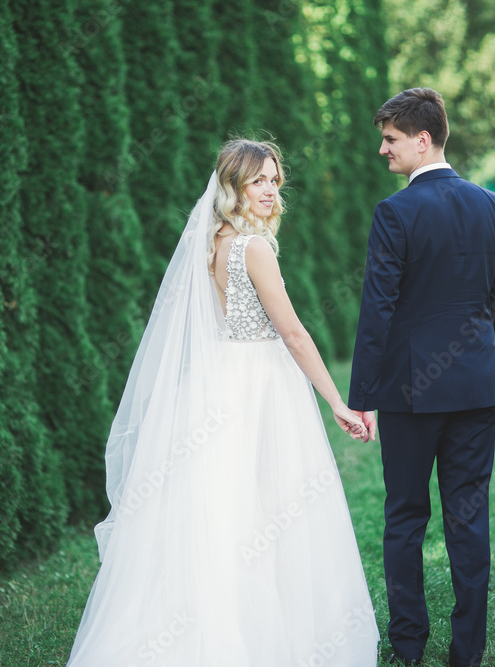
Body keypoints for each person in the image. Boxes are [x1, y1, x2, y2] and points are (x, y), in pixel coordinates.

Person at [67, 139, 380, 666]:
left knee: (225, 511)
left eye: (274, 179)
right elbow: (294, 334)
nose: (269, 189)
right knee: (271, 509)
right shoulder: (254, 248)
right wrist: (337, 402)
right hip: (260, 385)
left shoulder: (214, 242)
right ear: (231, 186)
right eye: (257, 180)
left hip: (219, 382)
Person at [348, 88, 495, 667]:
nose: (383, 151)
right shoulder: (493, 204)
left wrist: (362, 396)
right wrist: (469, 357)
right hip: (476, 387)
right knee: (468, 519)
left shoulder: (395, 212)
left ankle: (409, 646)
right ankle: (467, 653)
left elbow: (378, 311)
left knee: (405, 517)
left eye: (390, 141)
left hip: (408, 395)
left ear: (423, 139)